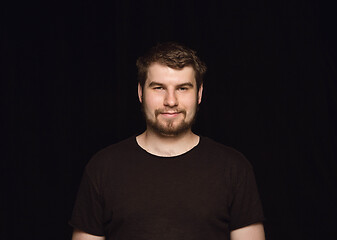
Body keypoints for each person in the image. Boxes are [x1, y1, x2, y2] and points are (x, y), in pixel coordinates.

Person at [69, 42, 265, 240]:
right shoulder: (103, 167)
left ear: (199, 93)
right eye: (158, 88)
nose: (170, 101)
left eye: (182, 88)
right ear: (140, 93)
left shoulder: (234, 168)